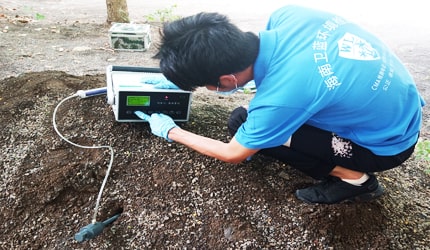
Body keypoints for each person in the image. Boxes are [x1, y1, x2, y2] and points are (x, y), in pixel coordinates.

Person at [135, 5, 425, 204]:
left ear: (225, 79)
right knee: (250, 124)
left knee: (246, 129)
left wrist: (170, 130)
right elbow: (274, 71)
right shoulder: (289, 15)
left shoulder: (281, 100)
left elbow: (233, 153)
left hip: (386, 146)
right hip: (397, 110)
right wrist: (181, 79)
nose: (207, 90)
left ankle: (357, 181)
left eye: (205, 85)